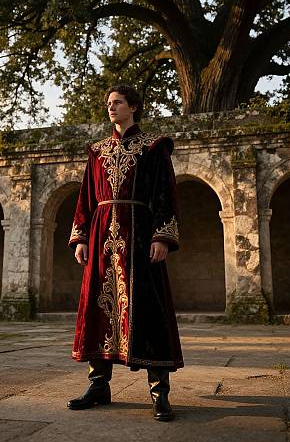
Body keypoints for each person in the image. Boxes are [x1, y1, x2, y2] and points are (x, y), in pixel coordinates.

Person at [67, 84, 183, 421]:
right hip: (102, 237)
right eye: (108, 103)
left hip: (140, 237)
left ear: (134, 107)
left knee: (148, 308)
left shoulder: (154, 147)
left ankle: (159, 391)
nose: (111, 108)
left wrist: (161, 236)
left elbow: (166, 194)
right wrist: (81, 237)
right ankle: (99, 384)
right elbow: (86, 197)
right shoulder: (97, 151)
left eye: (117, 103)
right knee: (98, 308)